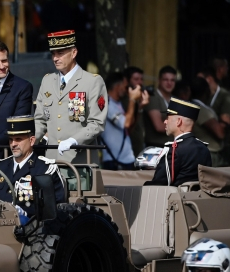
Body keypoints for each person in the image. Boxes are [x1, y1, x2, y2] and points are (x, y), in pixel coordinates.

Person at [34, 30, 108, 163]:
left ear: (73, 53)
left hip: (79, 161)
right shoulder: (48, 81)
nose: (55, 58)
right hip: (50, 161)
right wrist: (30, 139)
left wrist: (74, 140)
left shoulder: (92, 81)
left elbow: (97, 123)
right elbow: (40, 119)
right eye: (53, 54)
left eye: (60, 53)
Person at [0, 115, 65, 222]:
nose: (13, 144)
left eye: (18, 139)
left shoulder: (45, 169)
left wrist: (24, 212)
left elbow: (55, 208)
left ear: (32, 140)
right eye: (11, 140)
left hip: (32, 230)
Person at [145, 97, 212, 186]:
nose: (165, 121)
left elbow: (158, 186)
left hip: (174, 199)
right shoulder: (204, 149)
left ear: (178, 122)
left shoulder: (174, 151)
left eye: (168, 117)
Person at [101, 72, 147, 170]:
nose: (127, 90)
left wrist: (139, 108)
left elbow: (129, 129)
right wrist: (132, 99)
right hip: (114, 160)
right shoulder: (105, 104)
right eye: (125, 86)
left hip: (127, 159)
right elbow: (125, 123)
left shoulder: (118, 103)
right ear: (117, 86)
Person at [190, 77, 227, 167]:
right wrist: (224, 123)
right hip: (209, 154)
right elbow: (220, 133)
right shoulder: (201, 110)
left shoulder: (190, 106)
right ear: (206, 92)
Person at [144, 65, 177, 148]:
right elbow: (158, 126)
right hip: (157, 147)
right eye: (166, 80)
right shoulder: (153, 97)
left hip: (171, 147)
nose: (169, 83)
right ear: (159, 80)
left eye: (172, 80)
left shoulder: (174, 99)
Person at [123, 66, 149, 157]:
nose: (140, 82)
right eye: (136, 79)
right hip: (128, 149)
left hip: (139, 146)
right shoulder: (123, 101)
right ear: (127, 81)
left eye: (141, 79)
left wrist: (141, 107)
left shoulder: (140, 99)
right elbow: (128, 125)